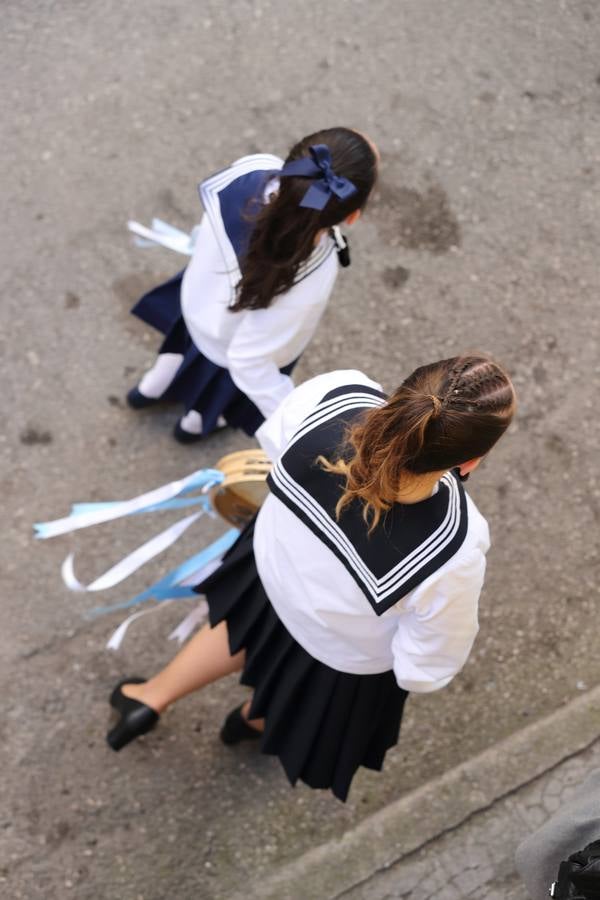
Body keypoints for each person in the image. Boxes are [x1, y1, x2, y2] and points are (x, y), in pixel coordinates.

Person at [108, 354, 516, 801]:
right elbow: (430, 659)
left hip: (270, 576)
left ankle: (149, 698)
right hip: (339, 652)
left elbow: (270, 446)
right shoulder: (457, 543)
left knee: (236, 630)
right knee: (298, 697)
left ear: (406, 393)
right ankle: (250, 720)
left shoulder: (336, 393)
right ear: (472, 460)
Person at [126, 127, 379, 442]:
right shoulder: (311, 274)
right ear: (352, 216)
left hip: (199, 301)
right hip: (228, 343)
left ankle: (150, 388)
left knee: (176, 355)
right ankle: (192, 425)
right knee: (212, 394)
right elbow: (249, 360)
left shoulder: (252, 172)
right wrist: (296, 421)